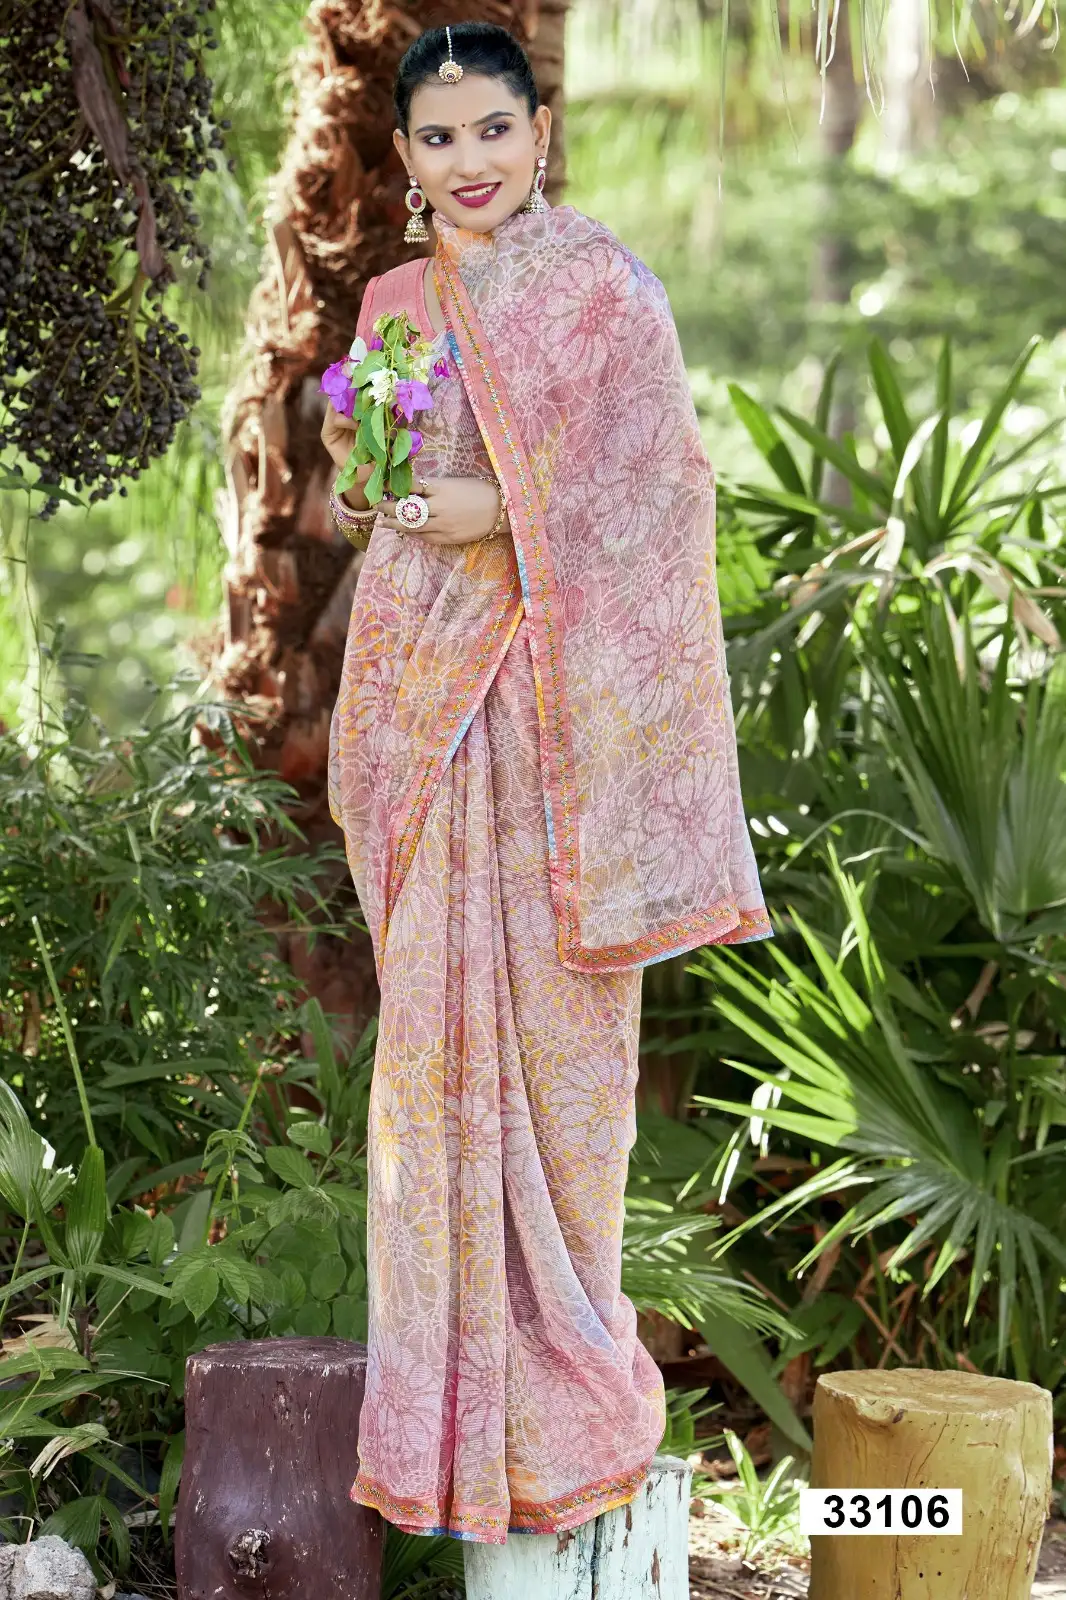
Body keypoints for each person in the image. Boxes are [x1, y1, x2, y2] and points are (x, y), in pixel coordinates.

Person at [322, 21, 769, 1548]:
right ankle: (447, 1439)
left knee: (566, 1088)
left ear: (540, 130)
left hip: (561, 735)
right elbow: (369, 489)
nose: (470, 162)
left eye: (493, 129)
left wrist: (501, 512)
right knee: (428, 1076)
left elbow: (659, 497)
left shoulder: (603, 294)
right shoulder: (395, 299)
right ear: (404, 156)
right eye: (438, 138)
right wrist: (392, 487)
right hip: (423, 716)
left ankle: (569, 1403)